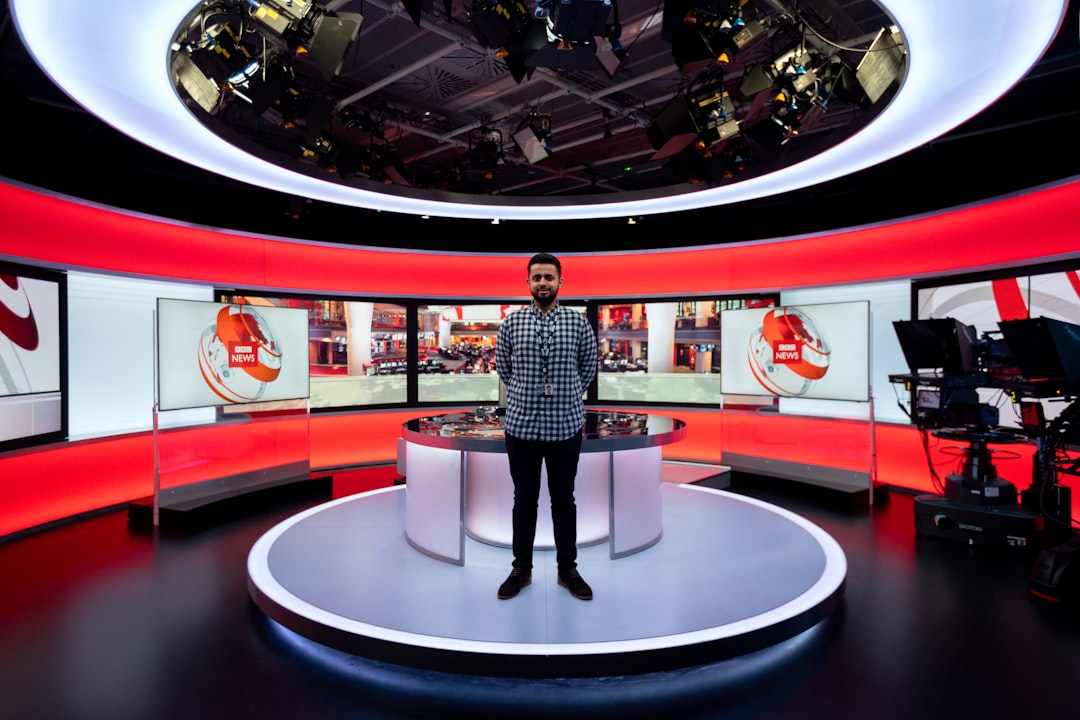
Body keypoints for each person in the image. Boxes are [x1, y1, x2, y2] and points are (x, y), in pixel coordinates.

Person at [494, 252, 598, 601]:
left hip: (565, 427)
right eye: (536, 277)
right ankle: (521, 569)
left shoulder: (578, 322)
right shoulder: (511, 323)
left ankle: (567, 569)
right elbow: (504, 370)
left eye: (548, 277)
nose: (542, 283)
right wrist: (527, 394)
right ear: (528, 282)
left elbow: (588, 367)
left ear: (560, 282)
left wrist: (565, 393)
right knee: (523, 500)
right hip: (521, 427)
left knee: (563, 500)